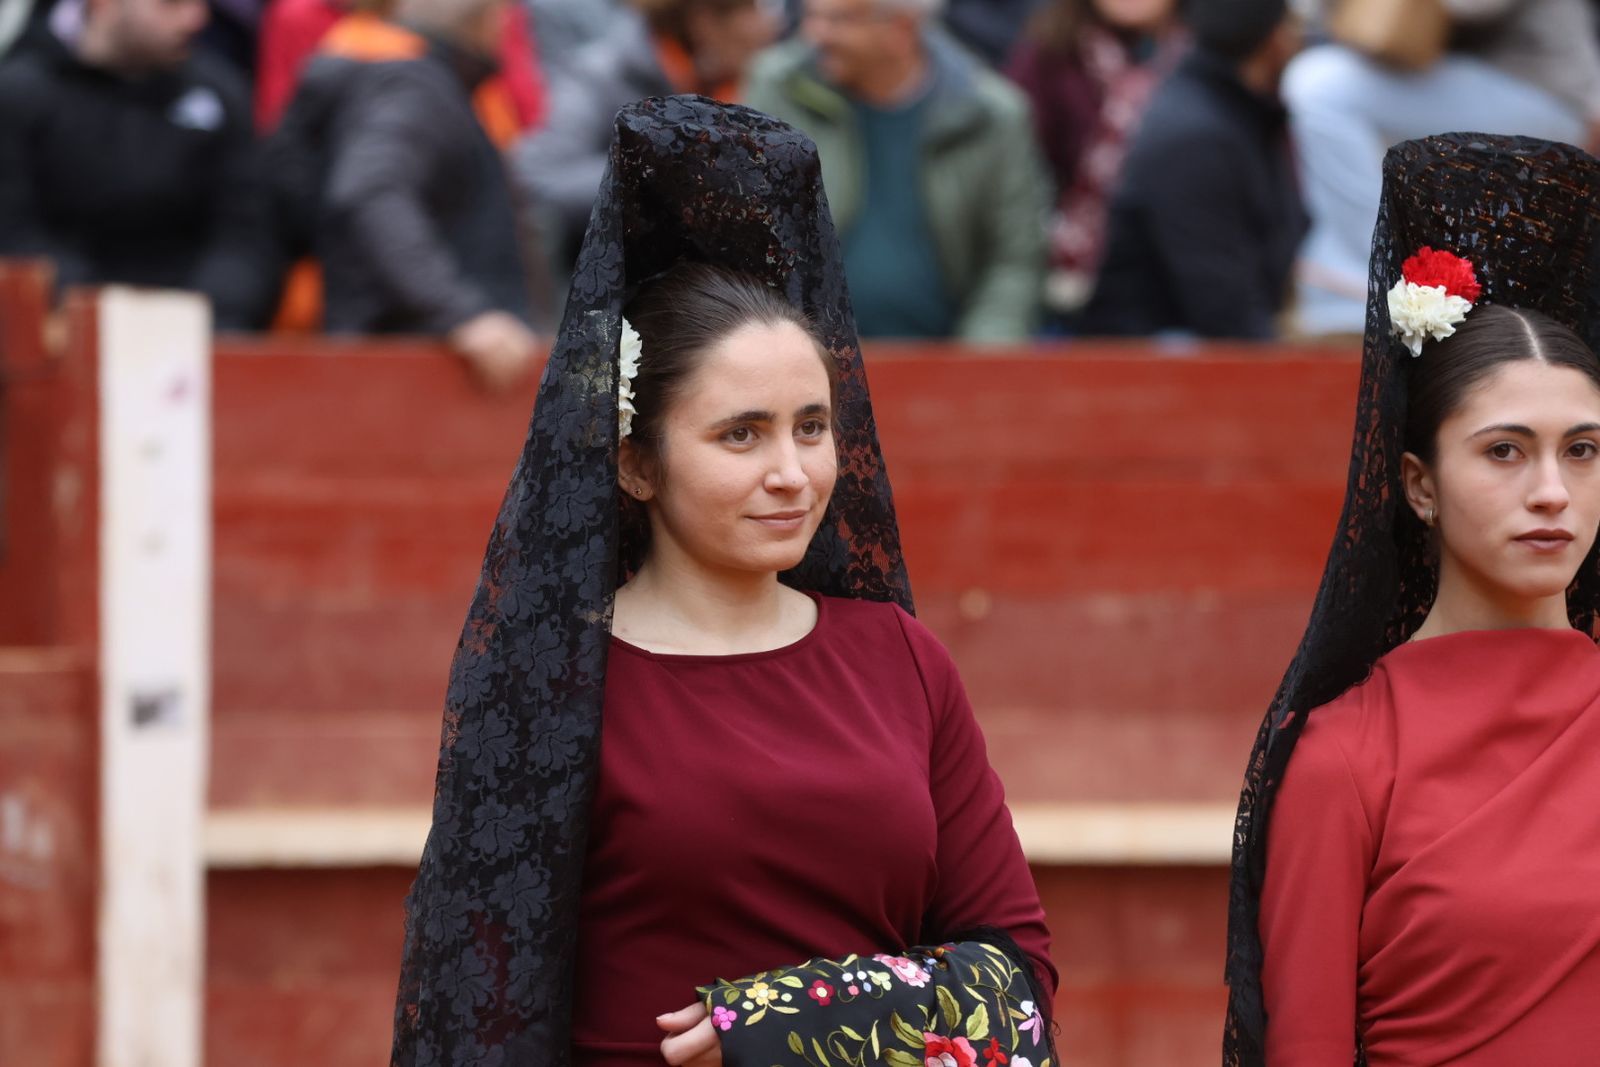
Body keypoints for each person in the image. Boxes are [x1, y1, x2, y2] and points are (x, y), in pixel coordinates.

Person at [389, 95, 1057, 1067]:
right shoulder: (556, 683)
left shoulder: (902, 660)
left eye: (811, 427)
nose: (792, 472)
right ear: (635, 463)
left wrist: (796, 1017)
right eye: (741, 434)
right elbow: (477, 1011)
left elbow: (1018, 980)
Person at [1224, 133, 1600, 1065]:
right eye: (1505, 450)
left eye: (1583, 451)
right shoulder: (1348, 754)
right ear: (1418, 484)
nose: (1552, 491)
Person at [1286, 0, 1600, 335]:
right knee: (1334, 88)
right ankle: (1353, 288)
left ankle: (1376, 274)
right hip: (1469, 80)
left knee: (1322, 86)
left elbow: (1463, 8)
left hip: (1542, 94)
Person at [743, 0, 1049, 342]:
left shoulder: (991, 114)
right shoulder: (779, 89)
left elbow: (1014, 260)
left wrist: (979, 359)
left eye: (838, 20)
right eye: (811, 14)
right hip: (806, 353)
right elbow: (750, 236)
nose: (815, 34)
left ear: (900, 30)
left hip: (946, 355)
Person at [298, 0, 539, 388]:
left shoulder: (425, 79)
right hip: (410, 372)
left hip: (415, 365)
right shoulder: (415, 86)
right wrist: (462, 312)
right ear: (484, 18)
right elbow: (371, 191)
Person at [0, 0, 280, 329]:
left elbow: (247, 231)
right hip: (60, 328)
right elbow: (14, 232)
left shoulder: (220, 93)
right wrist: (100, 312)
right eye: (171, 4)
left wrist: (207, 315)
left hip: (199, 328)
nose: (196, 19)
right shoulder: (20, 94)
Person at [512, 0, 778, 294]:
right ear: (704, 21)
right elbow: (538, 176)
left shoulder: (743, 80)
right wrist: (663, 172)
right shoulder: (602, 76)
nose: (769, 23)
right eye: (752, 8)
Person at [1082, 0, 1303, 339]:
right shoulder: (1197, 135)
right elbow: (1224, 309)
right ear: (1273, 38)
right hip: (1150, 348)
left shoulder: (1237, 111)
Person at [1006, 0, 1183, 326]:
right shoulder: (1049, 55)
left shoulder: (1204, 58)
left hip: (1180, 283)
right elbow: (1016, 184)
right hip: (1072, 291)